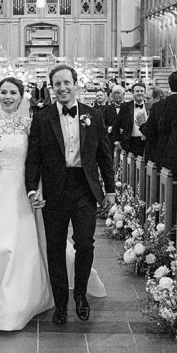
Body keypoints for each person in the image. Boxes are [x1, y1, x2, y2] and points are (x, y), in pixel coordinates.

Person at [0, 77, 108, 331]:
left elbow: (38, 158)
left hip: (25, 189)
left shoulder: (30, 124)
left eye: (13, 92)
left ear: (22, 97)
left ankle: (27, 299)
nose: (8, 97)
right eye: (3, 92)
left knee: (26, 244)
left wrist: (37, 188)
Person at [25, 65, 116, 325]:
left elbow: (104, 155)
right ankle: (61, 304)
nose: (62, 88)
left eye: (67, 83)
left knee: (85, 243)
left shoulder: (94, 115)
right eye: (57, 84)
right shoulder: (42, 118)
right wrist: (32, 189)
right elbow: (33, 159)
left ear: (76, 84)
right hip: (54, 189)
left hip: (84, 187)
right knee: (54, 247)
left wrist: (109, 189)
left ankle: (81, 295)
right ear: (51, 88)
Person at [141, 70, 177, 169]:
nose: (145, 101)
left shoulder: (160, 106)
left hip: (161, 154)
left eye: (147, 98)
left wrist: (142, 124)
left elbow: (149, 131)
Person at [117, 82, 150, 158]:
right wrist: (116, 141)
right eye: (137, 91)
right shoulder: (125, 106)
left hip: (147, 142)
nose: (139, 93)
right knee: (131, 166)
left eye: (142, 91)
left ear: (145, 93)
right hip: (131, 142)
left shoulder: (150, 106)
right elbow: (116, 124)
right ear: (133, 93)